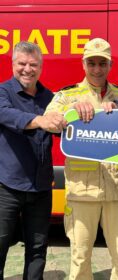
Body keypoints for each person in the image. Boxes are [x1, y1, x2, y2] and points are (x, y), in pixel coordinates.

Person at [44, 38, 118, 280]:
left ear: (110, 65)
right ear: (83, 64)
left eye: (102, 64)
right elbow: (49, 121)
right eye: (92, 63)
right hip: (82, 191)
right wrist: (71, 112)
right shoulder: (68, 95)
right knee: (80, 258)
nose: (97, 69)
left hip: (117, 190)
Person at [0, 41, 66, 280]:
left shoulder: (51, 97)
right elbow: (7, 114)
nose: (27, 69)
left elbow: (64, 126)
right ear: (12, 64)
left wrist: (75, 116)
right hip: (7, 186)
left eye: (33, 64)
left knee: (38, 249)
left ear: (41, 67)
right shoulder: (2, 92)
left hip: (41, 187)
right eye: (22, 64)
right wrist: (40, 120)